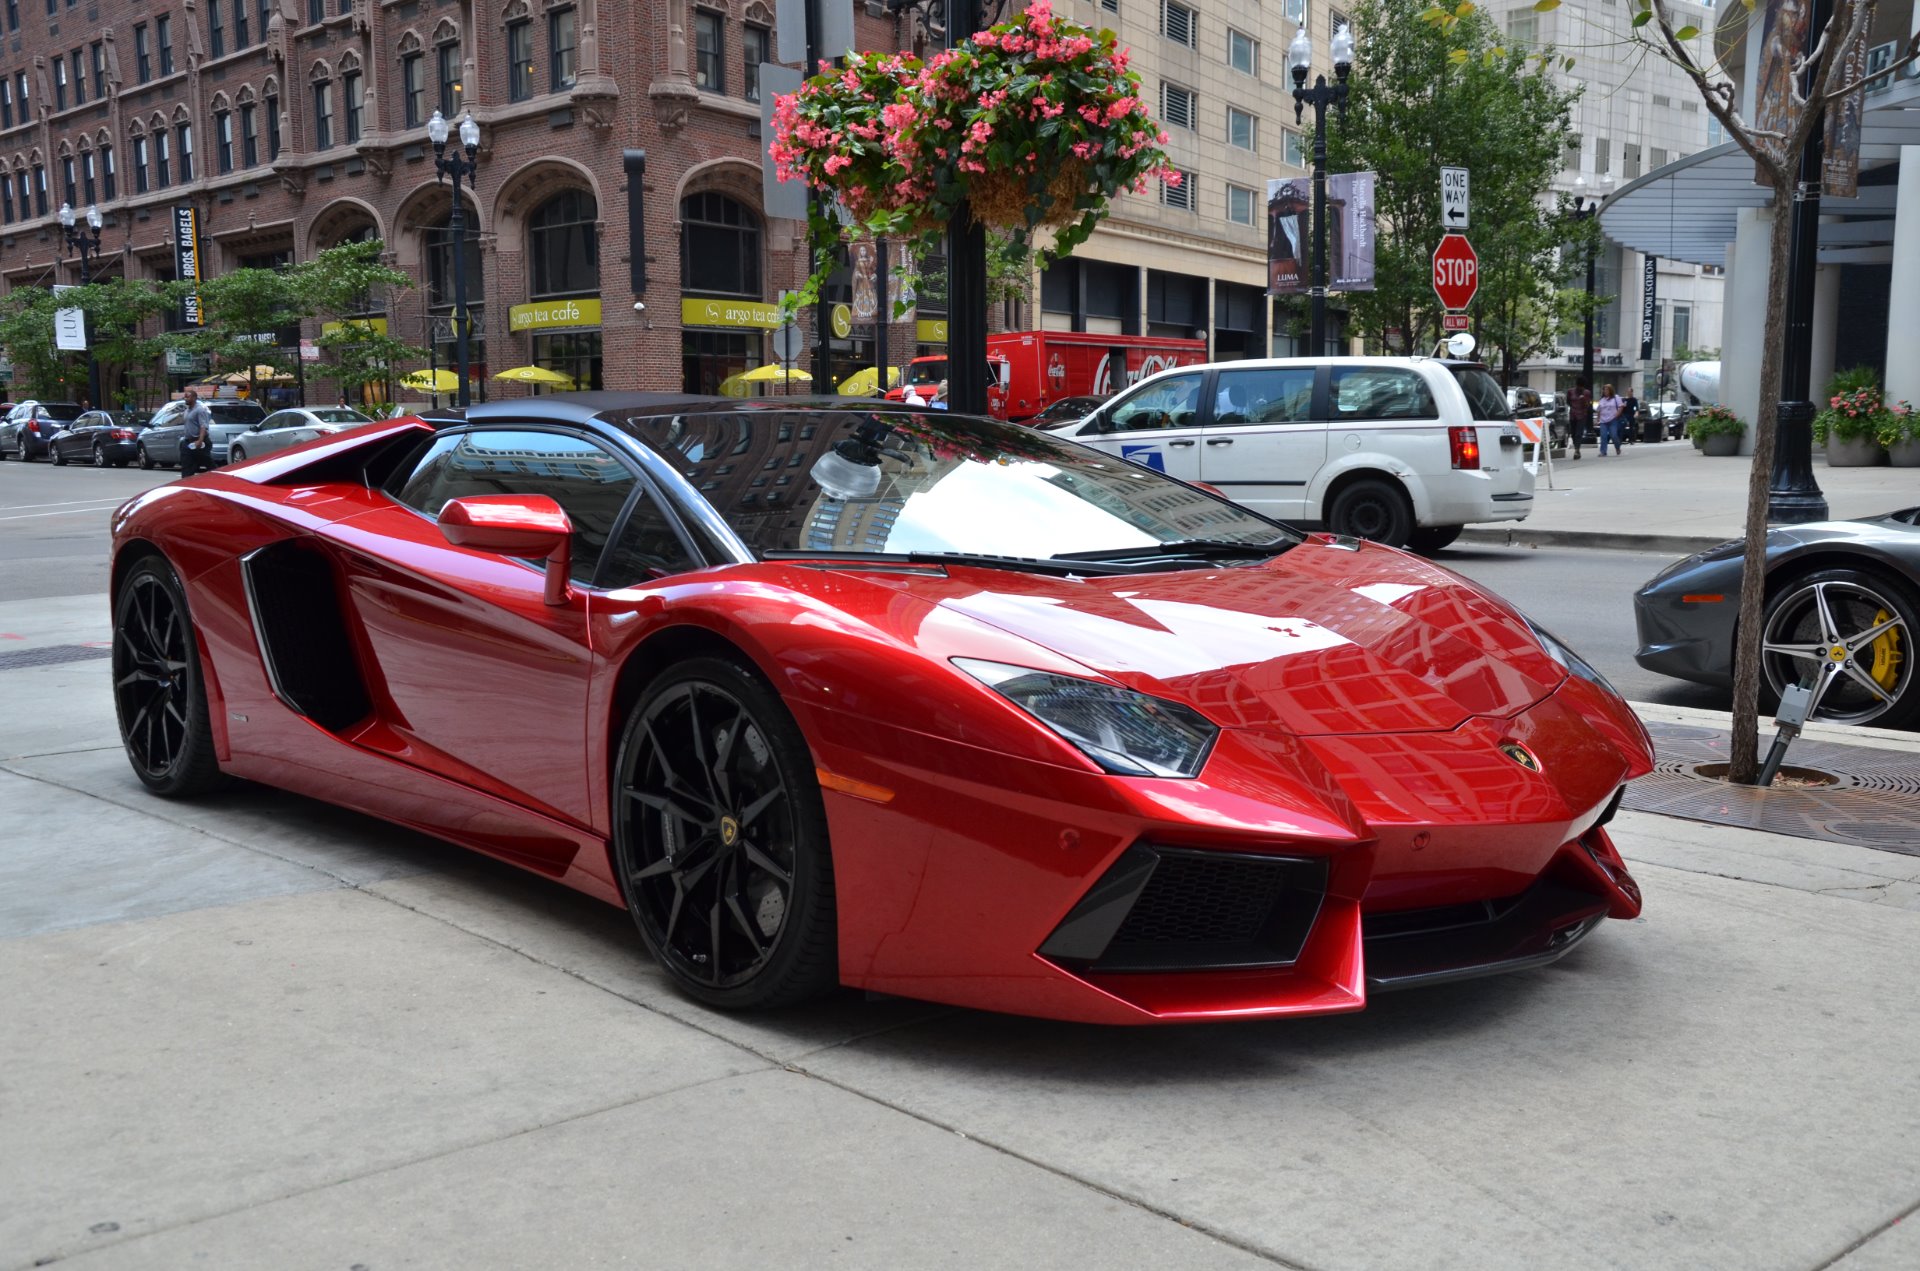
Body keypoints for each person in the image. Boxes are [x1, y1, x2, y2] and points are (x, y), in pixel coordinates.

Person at [178, 387, 214, 477]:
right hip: (188, 443)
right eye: (185, 397)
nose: (185, 399)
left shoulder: (200, 410)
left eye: (188, 397)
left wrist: (200, 440)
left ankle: (219, 480)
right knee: (186, 468)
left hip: (199, 442)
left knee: (209, 465)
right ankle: (186, 485)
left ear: (194, 398)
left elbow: (203, 426)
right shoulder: (187, 411)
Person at [1594, 383, 1624, 457]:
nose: (1605, 391)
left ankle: (1617, 447)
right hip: (1603, 421)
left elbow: (1621, 406)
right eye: (1604, 390)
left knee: (1614, 435)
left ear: (1610, 390)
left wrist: (1617, 414)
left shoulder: (1616, 397)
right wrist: (1598, 419)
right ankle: (1603, 451)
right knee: (1603, 436)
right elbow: (1599, 410)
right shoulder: (1602, 400)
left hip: (1613, 419)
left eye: (1607, 390)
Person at [1567, 378, 1591, 460]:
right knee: (1573, 433)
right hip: (1573, 415)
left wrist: (1583, 399)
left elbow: (1587, 405)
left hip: (1582, 415)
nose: (1579, 388)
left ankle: (1577, 450)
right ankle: (1576, 448)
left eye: (1581, 387)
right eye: (1578, 386)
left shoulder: (1586, 393)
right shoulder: (1570, 391)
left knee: (1578, 433)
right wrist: (1573, 408)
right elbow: (1568, 402)